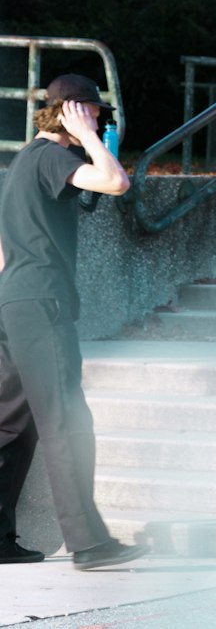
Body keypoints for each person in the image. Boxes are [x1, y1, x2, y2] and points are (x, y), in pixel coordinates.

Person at [0, 74, 147, 570]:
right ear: (73, 109)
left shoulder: (23, 162)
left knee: (9, 424)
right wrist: (86, 138)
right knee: (66, 421)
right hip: (42, 304)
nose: (103, 119)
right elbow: (116, 182)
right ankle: (89, 544)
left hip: (14, 303)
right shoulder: (51, 156)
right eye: (96, 112)